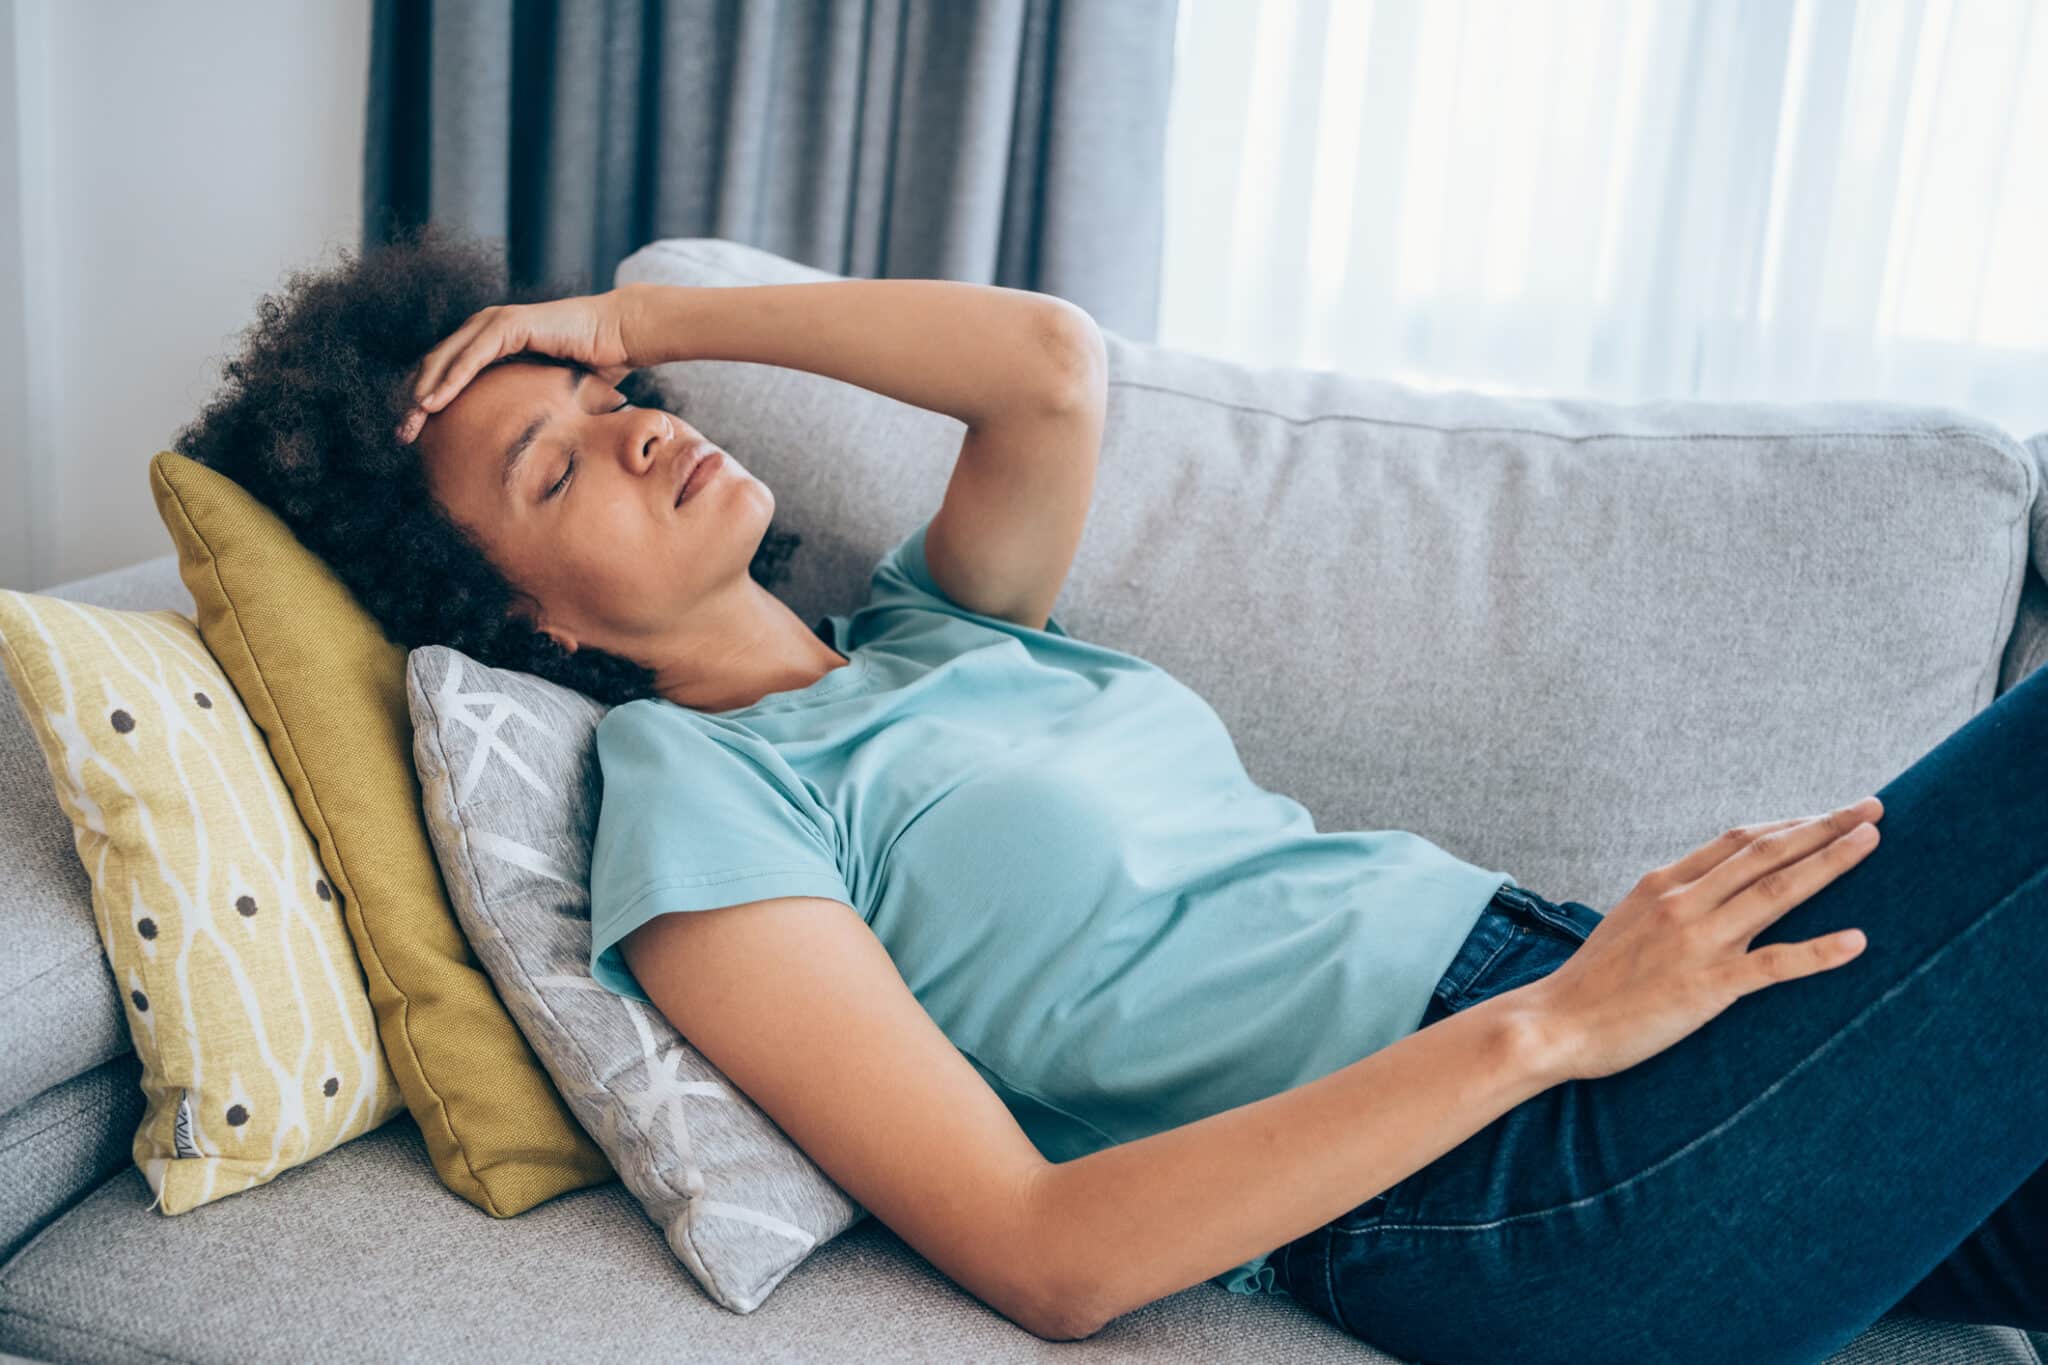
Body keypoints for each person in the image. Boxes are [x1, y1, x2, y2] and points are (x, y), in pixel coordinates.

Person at [176, 225, 2047, 1361]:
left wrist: (631, 320)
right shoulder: (698, 806)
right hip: (1510, 1175)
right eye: (556, 467)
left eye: (601, 393)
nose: (636, 426)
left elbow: (1048, 370)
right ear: (522, 616)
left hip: (1597, 1014)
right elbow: (1043, 1250)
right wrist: (1554, 1027)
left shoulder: (924, 636)